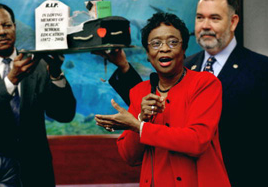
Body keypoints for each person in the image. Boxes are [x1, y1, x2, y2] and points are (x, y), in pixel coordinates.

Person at [105, 0, 268, 186]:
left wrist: (139, 125)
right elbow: (155, 94)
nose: (205, 25)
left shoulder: (264, 69)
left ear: (233, 22)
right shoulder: (185, 64)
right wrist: (125, 69)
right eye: (200, 17)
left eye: (214, 18)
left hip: (242, 176)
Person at [95, 12, 230, 187]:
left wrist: (139, 126)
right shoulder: (139, 92)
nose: (164, 48)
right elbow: (129, 157)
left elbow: (197, 141)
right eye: (156, 43)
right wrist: (140, 119)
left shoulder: (204, 84)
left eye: (173, 42)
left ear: (184, 49)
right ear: (148, 53)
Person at [0, 3, 76, 187]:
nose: (2, 32)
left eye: (7, 25)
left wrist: (55, 74)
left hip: (36, 168)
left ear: (14, 27)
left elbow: (64, 114)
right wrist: (11, 80)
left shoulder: (38, 64)